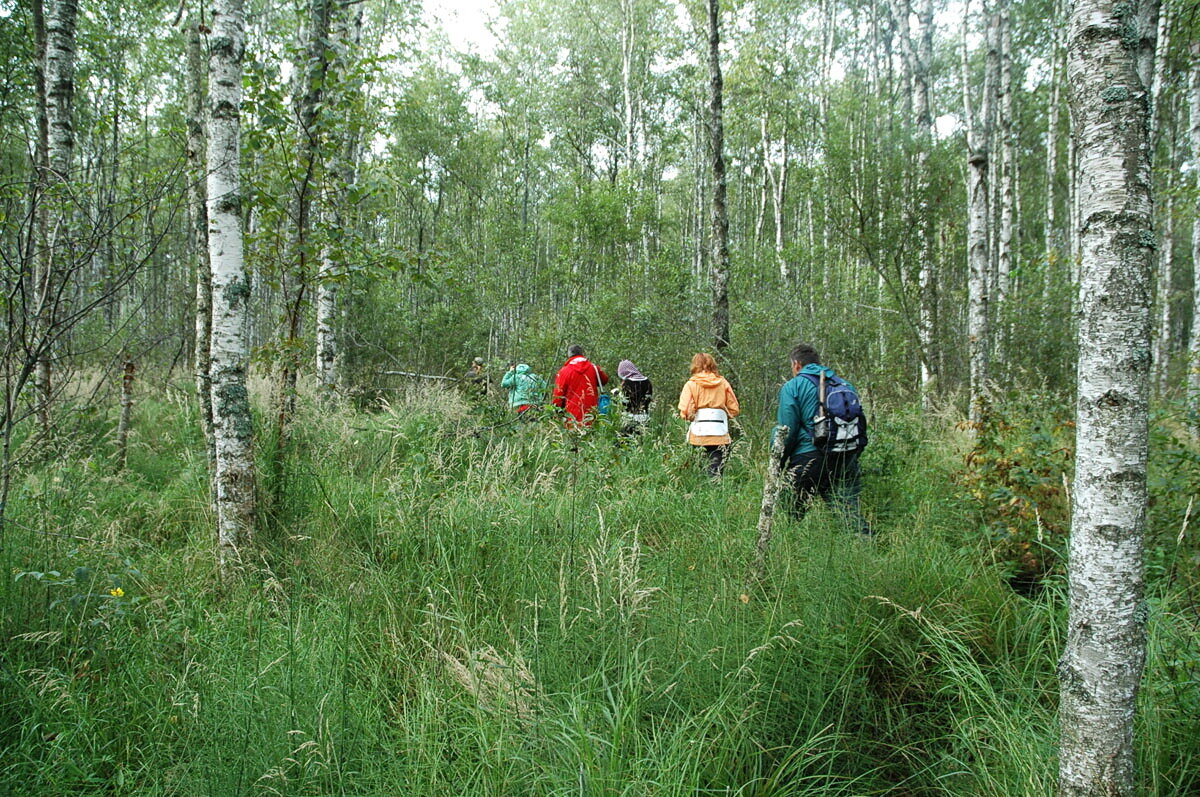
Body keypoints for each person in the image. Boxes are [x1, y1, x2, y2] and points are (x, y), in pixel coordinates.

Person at [775, 343, 872, 536]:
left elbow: (787, 429)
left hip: (809, 457)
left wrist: (778, 462)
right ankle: (866, 550)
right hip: (845, 455)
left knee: (789, 512)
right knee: (848, 512)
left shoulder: (793, 386)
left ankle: (789, 551)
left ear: (796, 365)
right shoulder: (844, 384)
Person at [677, 352, 740, 479]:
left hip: (698, 434)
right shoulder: (723, 383)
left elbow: (685, 411)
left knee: (699, 473)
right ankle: (717, 495)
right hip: (720, 434)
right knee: (716, 473)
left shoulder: (691, 384)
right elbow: (734, 409)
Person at [551, 344, 609, 428]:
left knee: (575, 436)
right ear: (582, 353)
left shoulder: (564, 371)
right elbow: (604, 380)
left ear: (569, 355)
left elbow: (558, 396)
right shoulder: (593, 367)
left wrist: (556, 414)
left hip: (572, 415)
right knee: (593, 434)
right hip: (593, 412)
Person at [616, 359, 653, 435]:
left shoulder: (627, 383)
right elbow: (648, 398)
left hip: (629, 418)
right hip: (644, 417)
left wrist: (616, 394)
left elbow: (624, 402)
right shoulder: (647, 382)